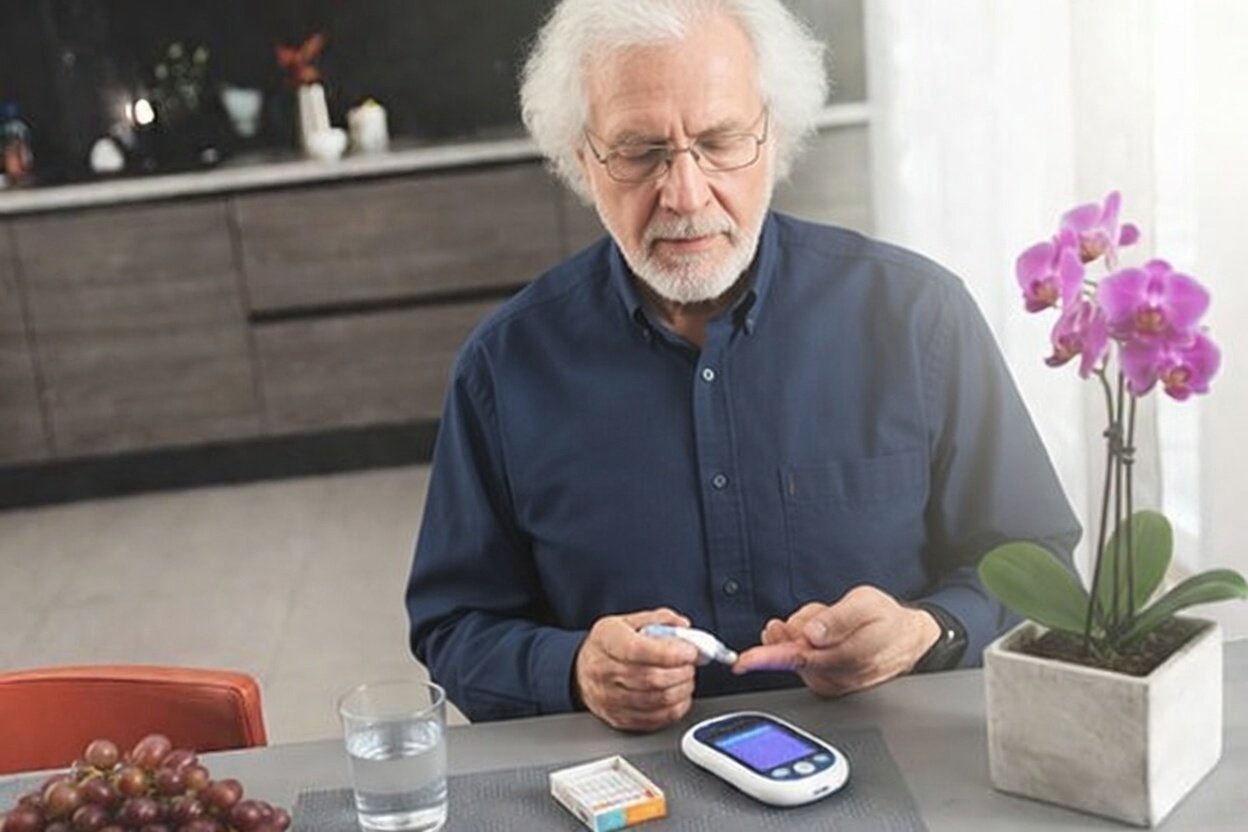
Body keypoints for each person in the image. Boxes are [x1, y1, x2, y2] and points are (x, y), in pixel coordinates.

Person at [405, 0, 1080, 732]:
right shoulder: (504, 367)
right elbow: (454, 627)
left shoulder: (920, 317)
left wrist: (928, 631)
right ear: (581, 159)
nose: (686, 196)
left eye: (721, 141)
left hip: (904, 760)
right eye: (639, 152)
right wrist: (575, 670)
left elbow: (1037, 562)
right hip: (631, 785)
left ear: (774, 136)